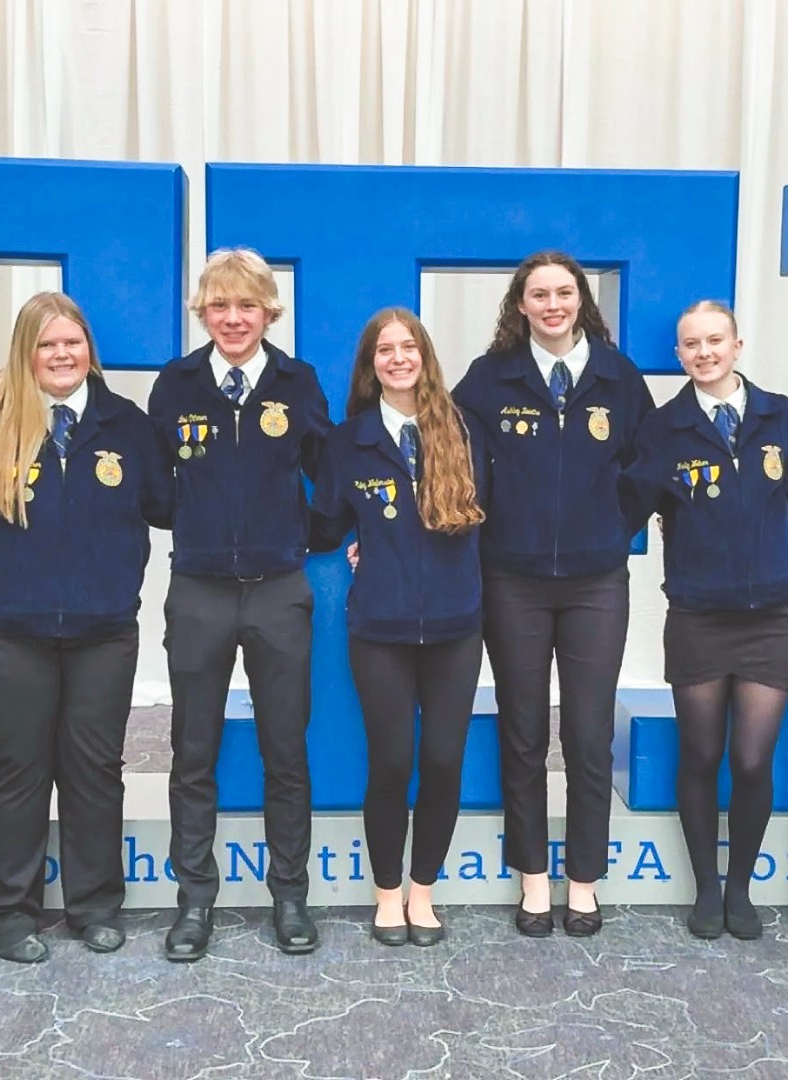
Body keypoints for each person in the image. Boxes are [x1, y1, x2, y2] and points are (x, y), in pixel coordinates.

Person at [0, 291, 172, 964]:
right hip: (3, 628)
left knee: (95, 769)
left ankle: (95, 905)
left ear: (89, 349)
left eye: (72, 342)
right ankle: (8, 912)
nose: (62, 354)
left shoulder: (125, 425)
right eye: (47, 344)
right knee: (18, 766)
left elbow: (164, 505)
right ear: (25, 351)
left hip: (102, 629)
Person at [454, 250, 655, 937]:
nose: (551, 304)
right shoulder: (487, 381)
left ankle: (585, 882)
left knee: (590, 733)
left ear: (580, 302)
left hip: (597, 584)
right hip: (512, 581)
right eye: (537, 294)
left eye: (563, 292)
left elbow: (647, 467)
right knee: (524, 733)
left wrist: (610, 526)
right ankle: (533, 878)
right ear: (520, 306)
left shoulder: (618, 378)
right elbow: (453, 465)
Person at [148, 248, 331, 961]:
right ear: (203, 312)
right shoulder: (177, 384)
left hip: (278, 591)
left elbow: (332, 479)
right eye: (219, 306)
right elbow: (157, 489)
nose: (232, 319)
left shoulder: (299, 382)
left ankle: (290, 896)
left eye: (246, 306)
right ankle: (194, 901)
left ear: (268, 313)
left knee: (285, 750)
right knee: (192, 751)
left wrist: (299, 537)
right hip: (197, 591)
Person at [621, 301, 788, 941]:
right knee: (701, 753)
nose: (704, 353)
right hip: (699, 615)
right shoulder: (664, 427)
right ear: (679, 355)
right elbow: (628, 504)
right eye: (691, 344)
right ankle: (705, 887)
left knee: (752, 759)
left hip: (773, 616)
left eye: (715, 341)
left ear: (737, 344)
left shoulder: (778, 412)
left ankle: (742, 889)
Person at [311, 309, 485, 948]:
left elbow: (484, 515)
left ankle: (423, 893)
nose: (397, 358)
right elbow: (325, 523)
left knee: (442, 761)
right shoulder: (348, 440)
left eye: (407, 346)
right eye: (384, 350)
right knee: (390, 762)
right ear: (370, 365)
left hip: (456, 625)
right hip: (379, 628)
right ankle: (387, 896)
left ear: (424, 356)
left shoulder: (464, 430)